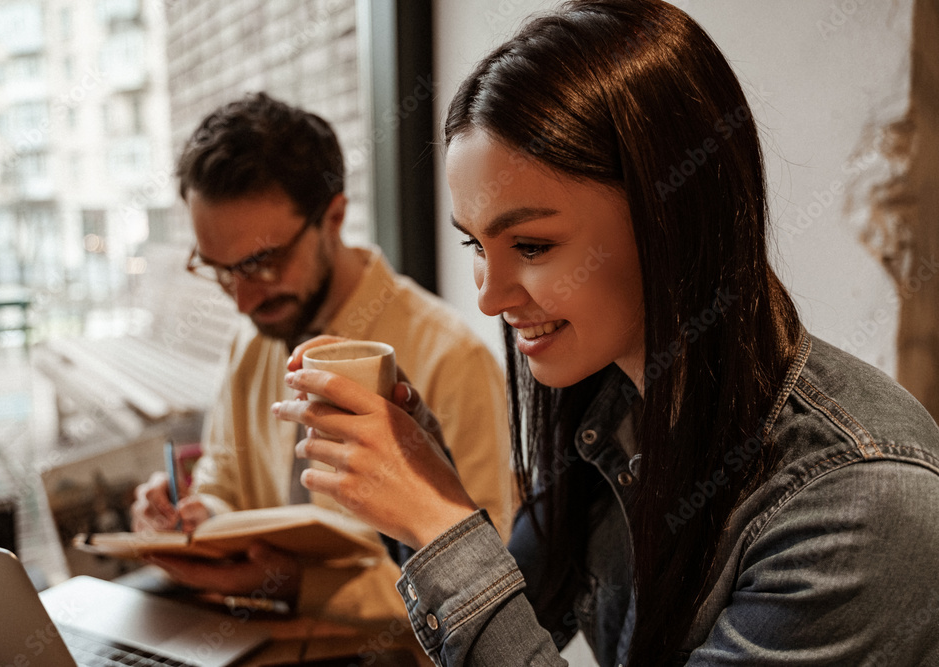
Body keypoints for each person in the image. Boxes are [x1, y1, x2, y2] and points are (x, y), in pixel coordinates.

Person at [270, 1, 939, 664]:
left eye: (531, 245)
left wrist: (439, 521)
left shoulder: (863, 503)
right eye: (476, 243)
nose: (490, 297)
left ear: (672, 219)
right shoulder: (612, 403)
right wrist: (422, 478)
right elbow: (519, 620)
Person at [130, 93, 514, 599]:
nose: (243, 300)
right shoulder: (253, 338)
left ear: (333, 218)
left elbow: (485, 581)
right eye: (221, 271)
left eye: (262, 263)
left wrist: (302, 587)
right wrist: (193, 514)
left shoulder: (451, 357)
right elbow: (223, 476)